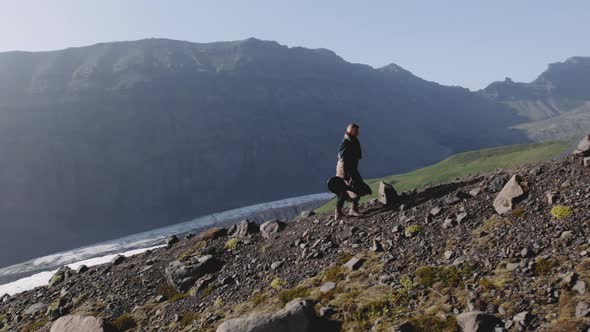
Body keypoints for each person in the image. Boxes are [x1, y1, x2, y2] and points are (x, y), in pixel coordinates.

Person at [335, 123, 364, 219]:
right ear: (351, 130)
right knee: (347, 189)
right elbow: (342, 159)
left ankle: (342, 211)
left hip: (351, 169)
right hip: (346, 171)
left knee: (348, 189)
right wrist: (345, 175)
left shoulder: (353, 141)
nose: (358, 133)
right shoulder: (345, 143)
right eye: (356, 130)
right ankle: (349, 210)